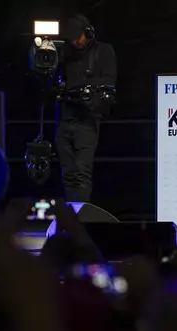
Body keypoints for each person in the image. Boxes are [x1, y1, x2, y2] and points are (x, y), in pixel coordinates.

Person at [56, 14, 117, 202]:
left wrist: (78, 86)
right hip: (65, 117)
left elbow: (109, 81)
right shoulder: (66, 53)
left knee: (82, 172)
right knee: (68, 173)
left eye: (78, 36)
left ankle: (81, 219)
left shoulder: (104, 51)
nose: (75, 41)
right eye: (71, 38)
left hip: (88, 119)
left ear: (88, 32)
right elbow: (54, 84)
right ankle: (71, 215)